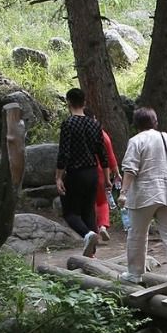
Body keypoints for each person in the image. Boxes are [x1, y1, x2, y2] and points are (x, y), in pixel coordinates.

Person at [119, 107, 167, 281]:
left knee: (137, 234)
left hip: (143, 194)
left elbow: (130, 169)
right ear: (155, 122)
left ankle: (135, 274)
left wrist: (123, 192)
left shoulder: (136, 141)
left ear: (135, 125)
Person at [55, 87, 106, 257]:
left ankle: (88, 235)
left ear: (68, 102)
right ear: (84, 103)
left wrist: (58, 177)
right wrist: (106, 177)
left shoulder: (68, 124)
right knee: (88, 211)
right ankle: (91, 254)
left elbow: (64, 153)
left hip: (76, 173)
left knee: (70, 213)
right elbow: (102, 153)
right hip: (92, 173)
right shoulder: (95, 124)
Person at [94, 127, 120, 244]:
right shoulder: (102, 134)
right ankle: (103, 226)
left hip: (82, 172)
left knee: (90, 203)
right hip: (101, 172)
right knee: (102, 201)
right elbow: (110, 156)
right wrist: (117, 173)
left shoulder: (77, 131)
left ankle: (92, 232)